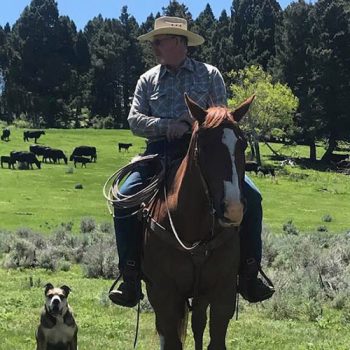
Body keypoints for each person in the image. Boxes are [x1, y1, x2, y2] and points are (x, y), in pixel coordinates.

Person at [109, 16, 274, 307]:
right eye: (154, 42)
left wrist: (198, 124)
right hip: (158, 153)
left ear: (180, 43)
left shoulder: (209, 75)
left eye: (160, 41)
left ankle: (249, 272)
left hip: (206, 154)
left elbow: (223, 116)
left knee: (253, 198)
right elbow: (134, 120)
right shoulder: (148, 80)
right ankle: (131, 275)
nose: (155, 47)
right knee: (123, 198)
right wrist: (165, 124)